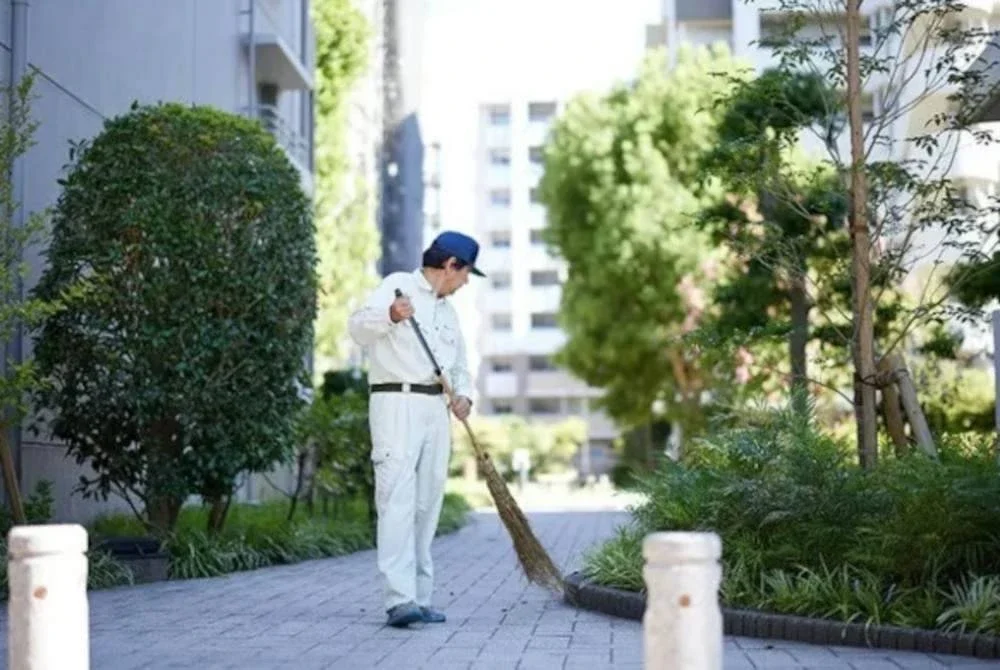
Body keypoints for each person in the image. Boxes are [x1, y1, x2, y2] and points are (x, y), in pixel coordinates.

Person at [347, 231, 483, 628]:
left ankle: (421, 598)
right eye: (466, 273)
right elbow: (357, 329)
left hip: (435, 410)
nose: (466, 282)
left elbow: (459, 365)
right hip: (396, 403)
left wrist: (464, 397)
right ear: (451, 265)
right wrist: (390, 316)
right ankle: (399, 599)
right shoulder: (397, 286)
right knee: (397, 498)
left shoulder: (447, 312)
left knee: (427, 502)